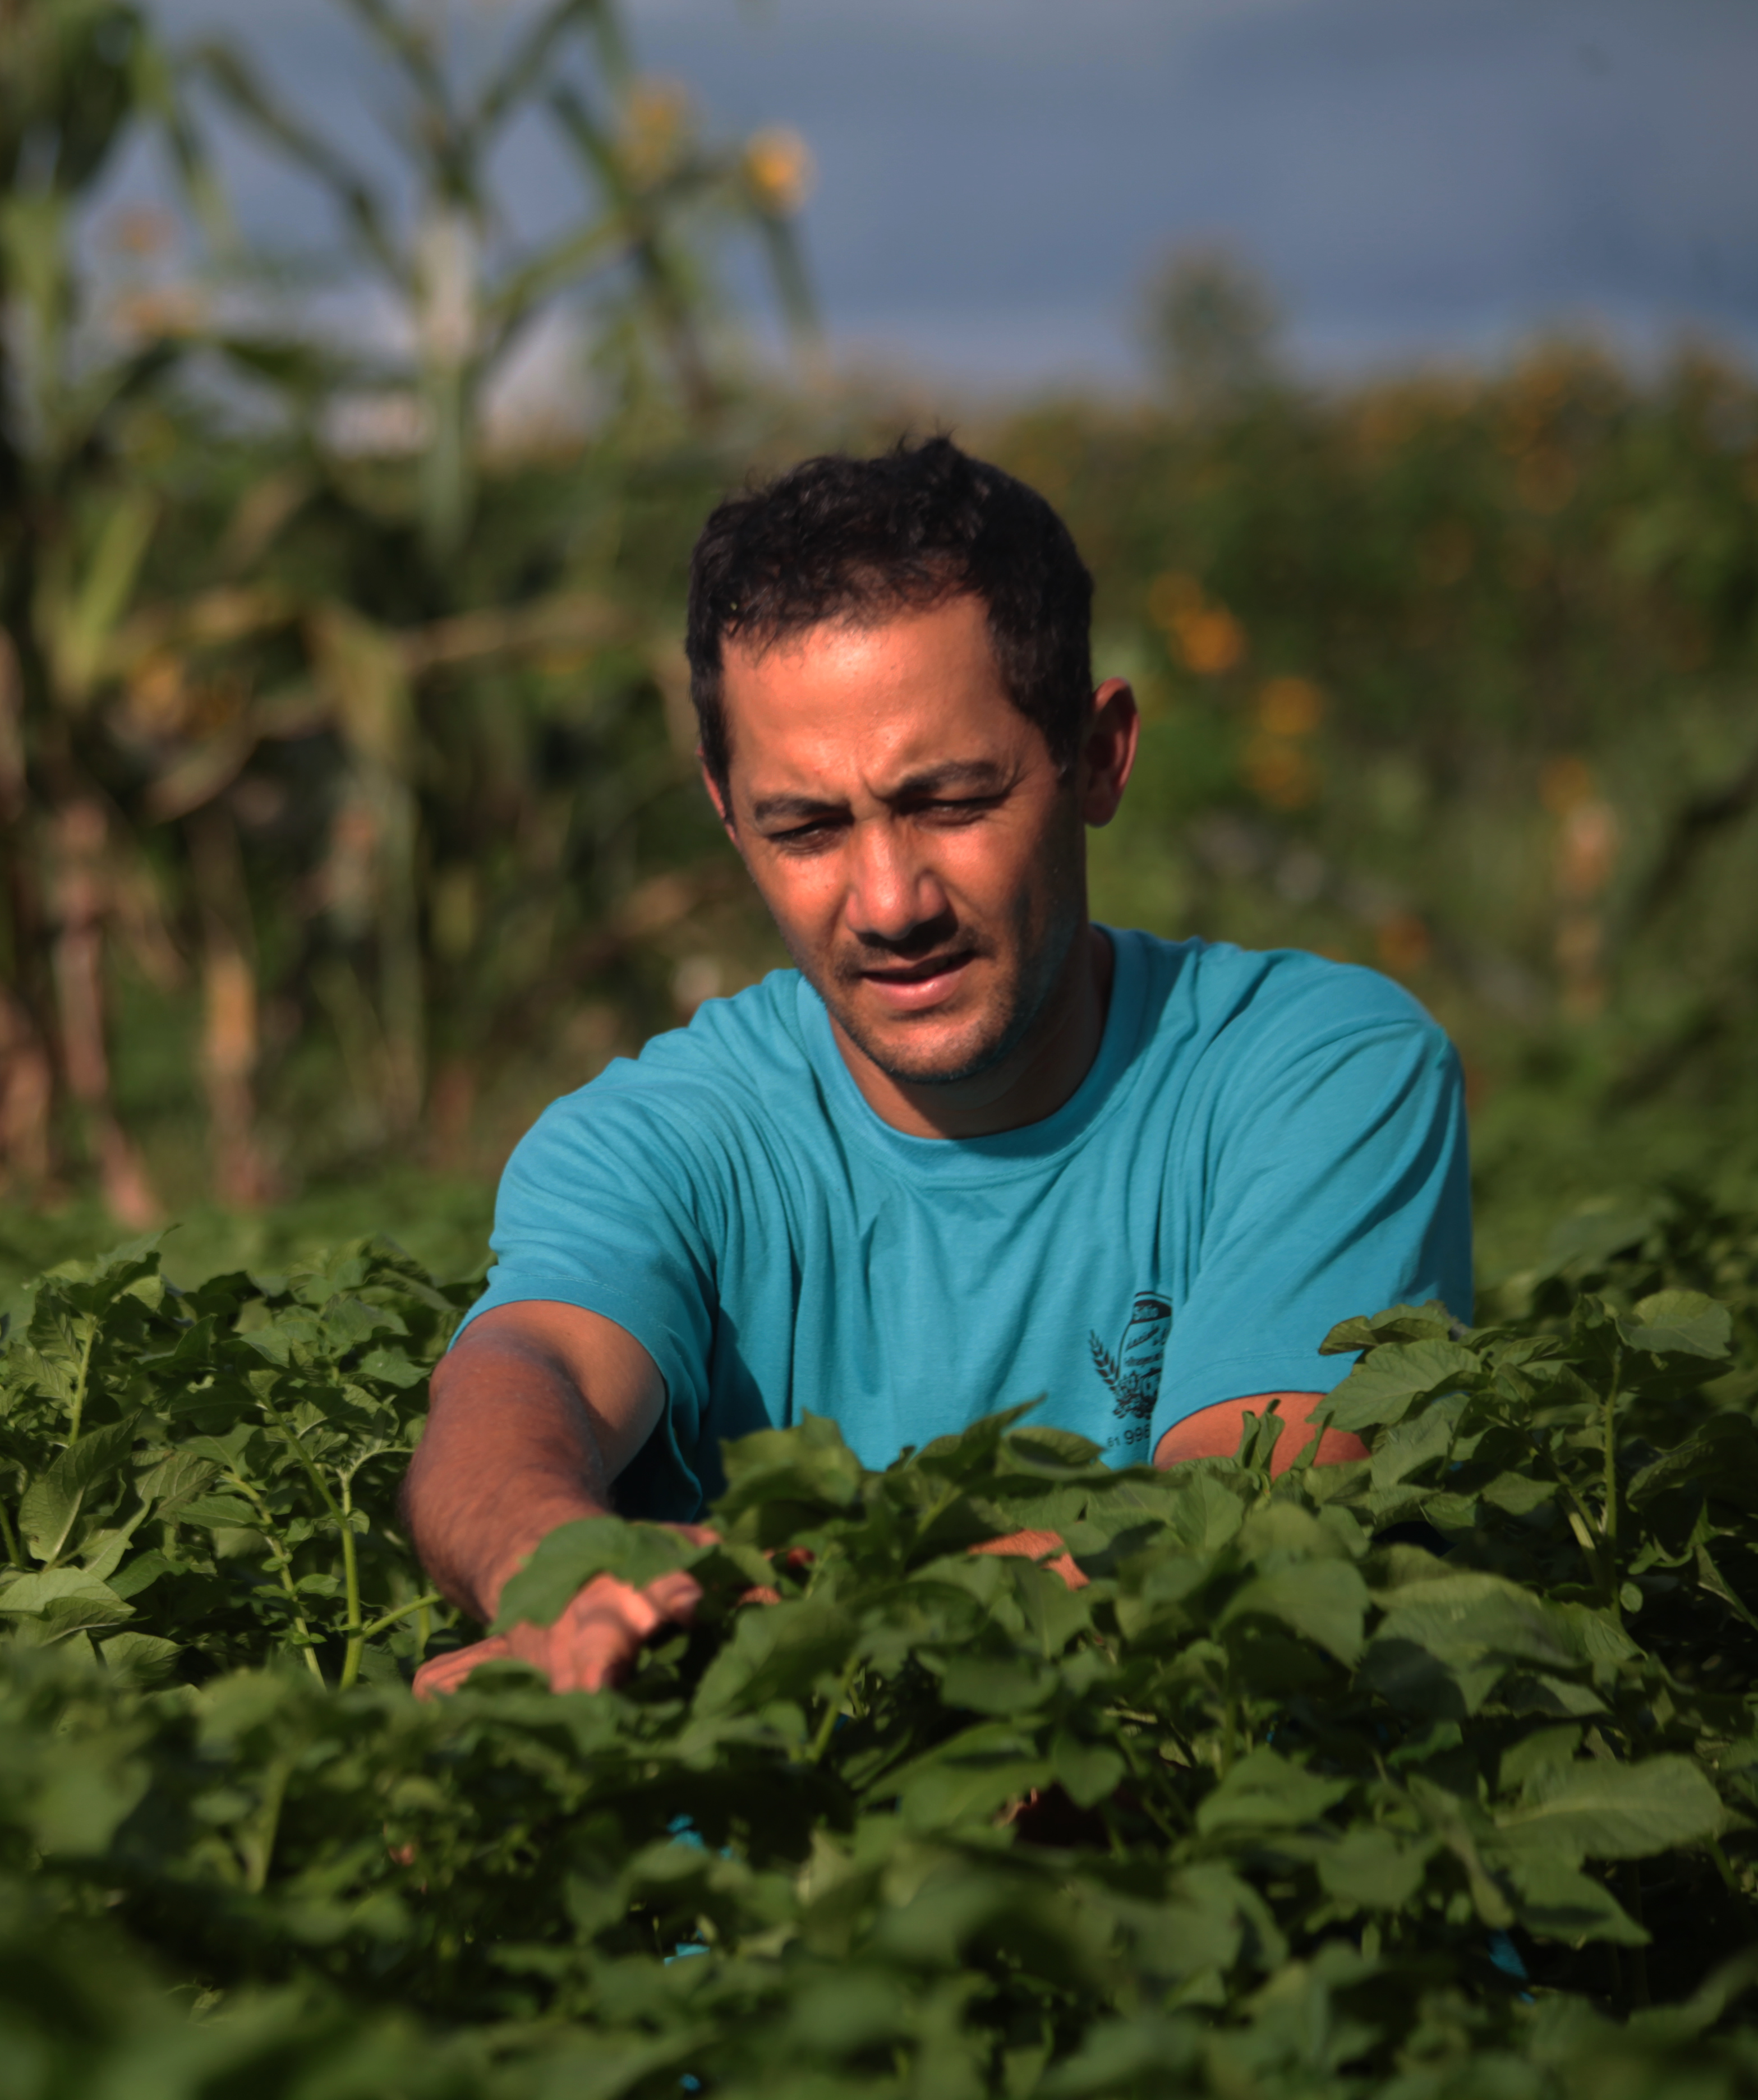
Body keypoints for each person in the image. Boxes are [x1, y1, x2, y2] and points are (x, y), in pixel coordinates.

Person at [401, 438, 1470, 1697]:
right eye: (806, 828)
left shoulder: (1316, 1076)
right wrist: (554, 1568)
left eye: (952, 803)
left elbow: (1249, 1536)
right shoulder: (657, 1137)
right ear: (727, 813)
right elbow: (523, 1376)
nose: (889, 902)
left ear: (1098, 757)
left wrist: (736, 1612)